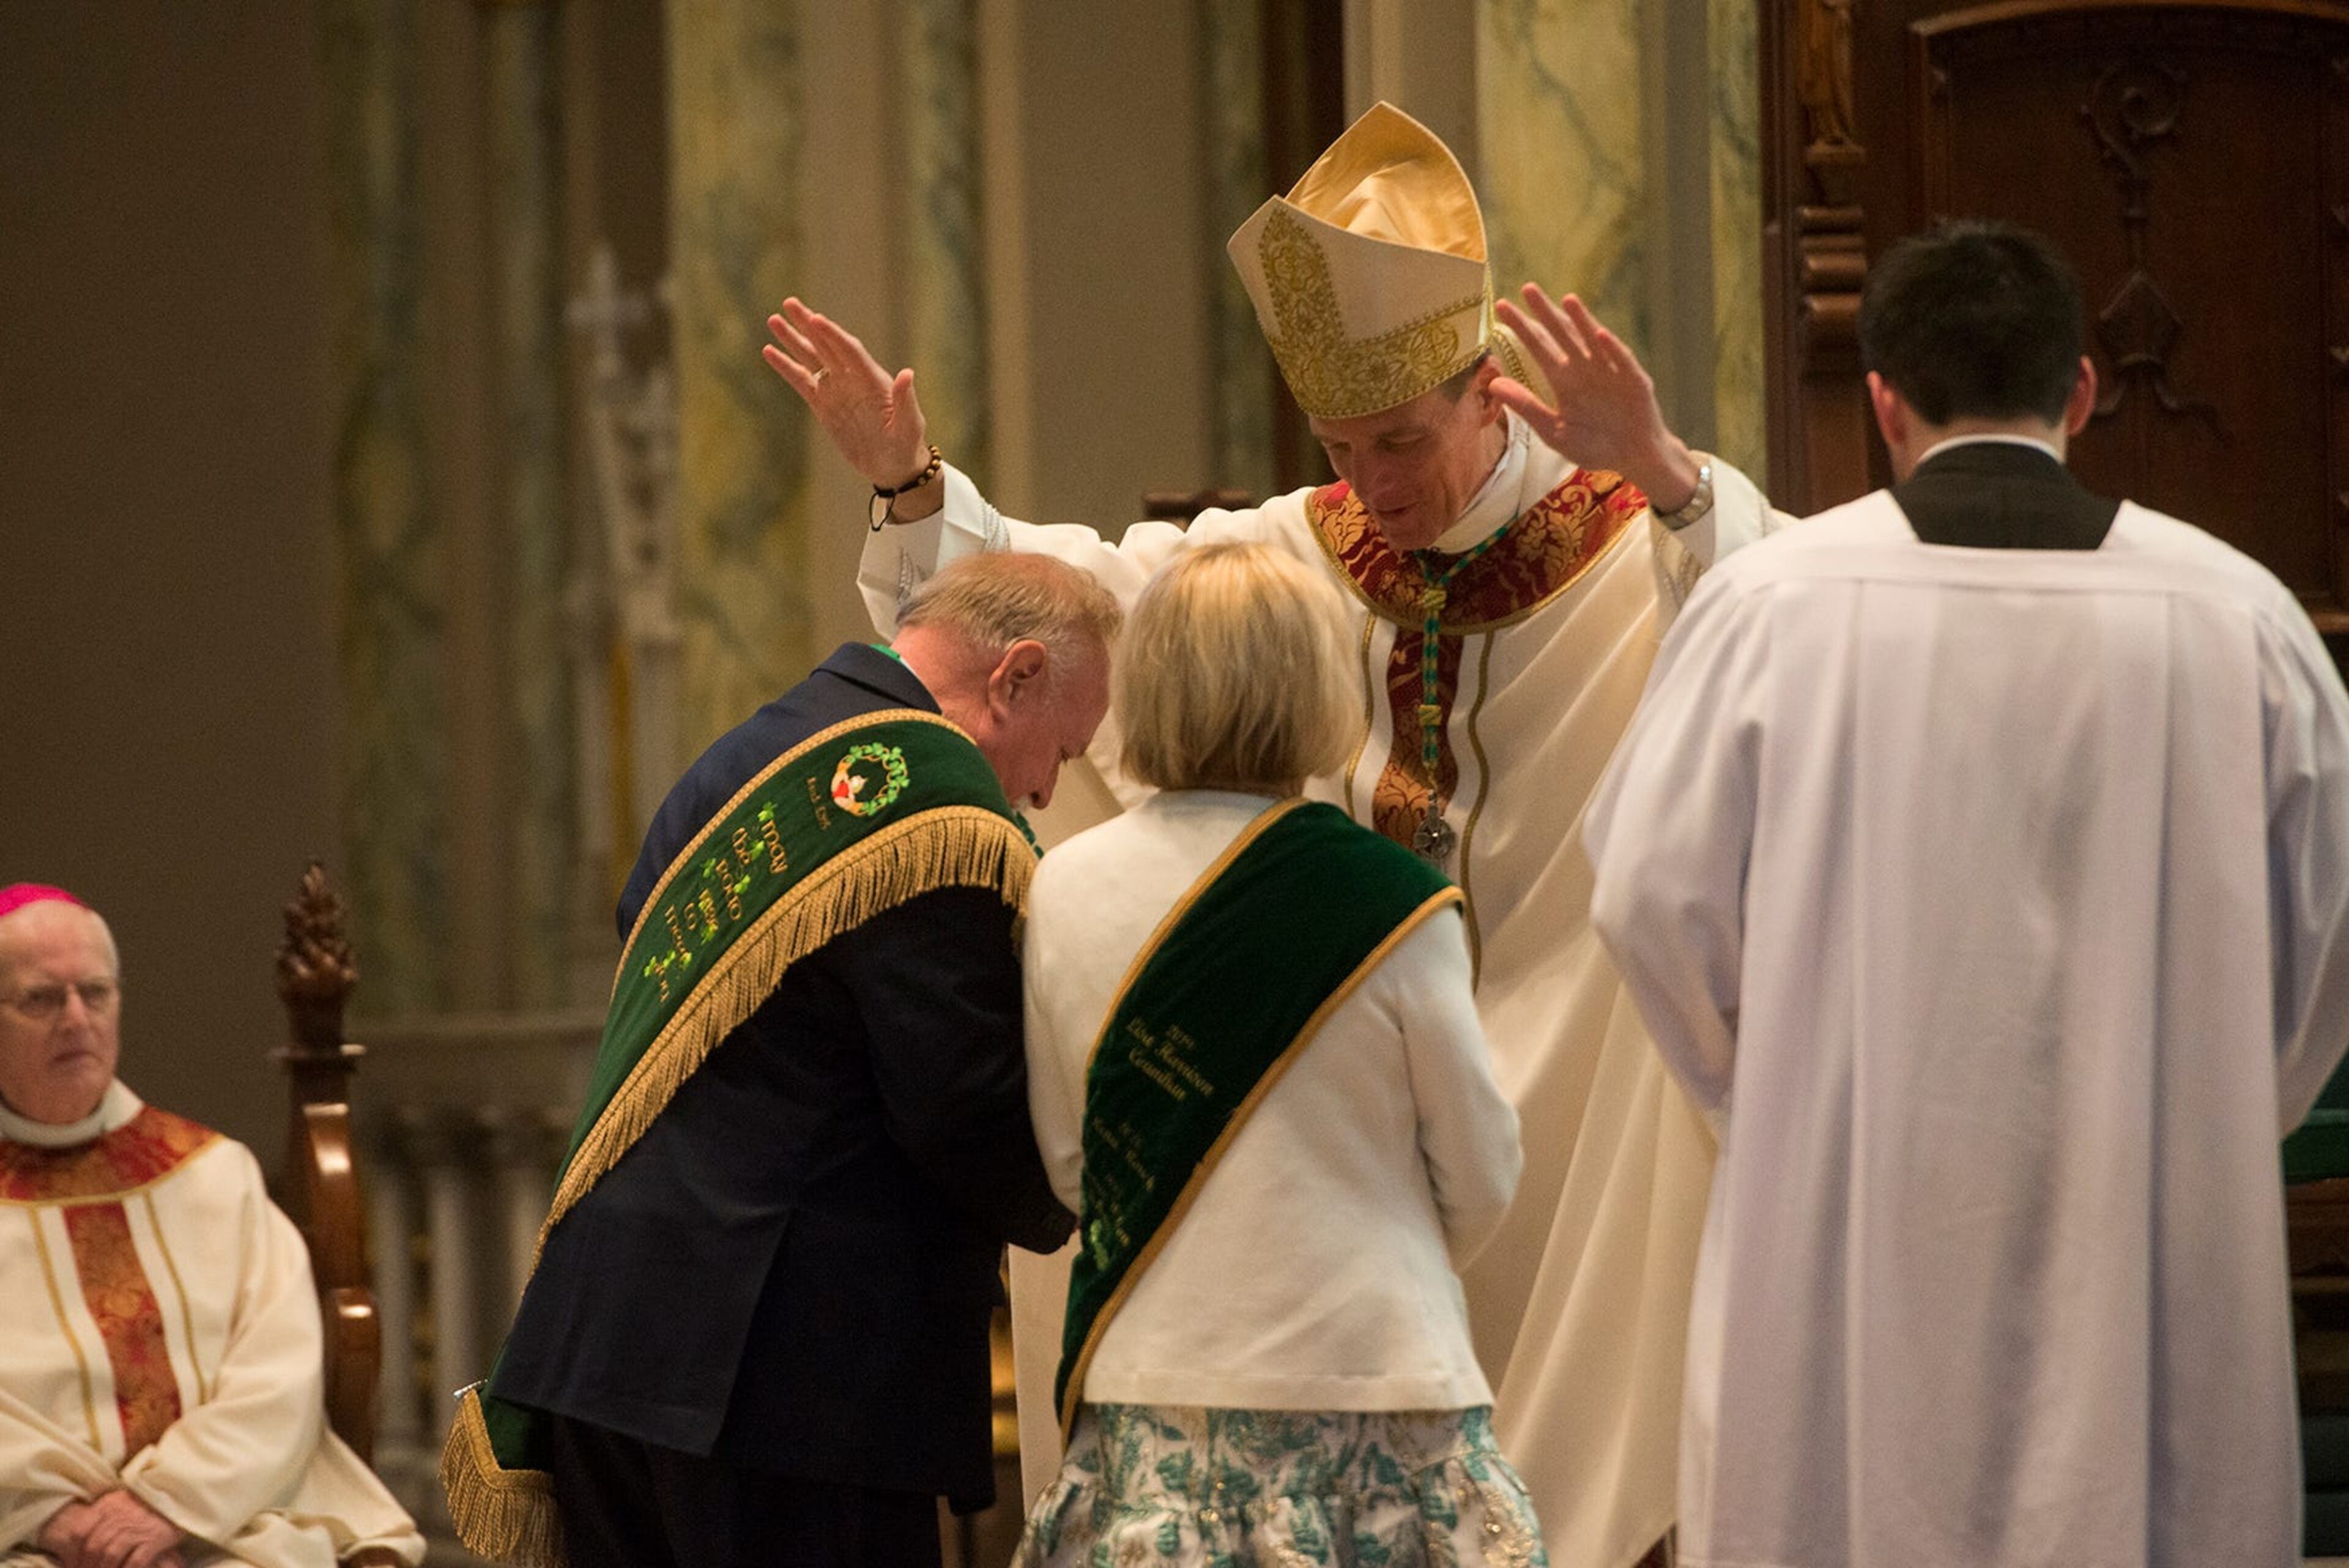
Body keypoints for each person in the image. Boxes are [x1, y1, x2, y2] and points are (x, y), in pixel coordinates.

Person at [767, 100, 1791, 1568]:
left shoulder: (1636, 543)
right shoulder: (1298, 552)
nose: (1371, 484)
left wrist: (1679, 482)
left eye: (1400, 440)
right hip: (1343, 1134)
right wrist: (915, 493)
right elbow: (1068, 601)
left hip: (1573, 1121)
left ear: (1489, 392)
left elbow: (1792, 650)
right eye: (1338, 444)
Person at [1584, 219, 2349, 1568]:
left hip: (1845, 1215)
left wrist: (1777, 1087)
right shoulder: (2244, 623)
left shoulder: (1772, 613)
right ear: (2082, 393)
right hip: (2153, 1228)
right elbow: (2322, 951)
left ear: (1883, 403)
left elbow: (1647, 896)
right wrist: (2205, 1105)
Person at [439, 553, 1121, 1568]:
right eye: (1061, 749)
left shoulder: (737, 759)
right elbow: (961, 1111)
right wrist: (1109, 1192)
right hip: (782, 1387)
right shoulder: (927, 802)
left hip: (610, 1343)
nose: (1043, 787)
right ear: (1014, 675)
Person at [1018, 543, 1535, 1567]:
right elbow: (1482, 1173)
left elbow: (1072, 1164)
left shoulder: (1063, 884)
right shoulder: (1389, 897)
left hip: (1153, 1393)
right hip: (1377, 1382)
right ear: (1316, 683)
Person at [0, 885, 423, 1568]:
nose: (76, 1019)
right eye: (41, 999)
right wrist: (57, 1521)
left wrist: (168, 1504)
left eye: (96, 992)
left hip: (226, 1523)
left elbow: (279, 1369)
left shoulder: (212, 1176)